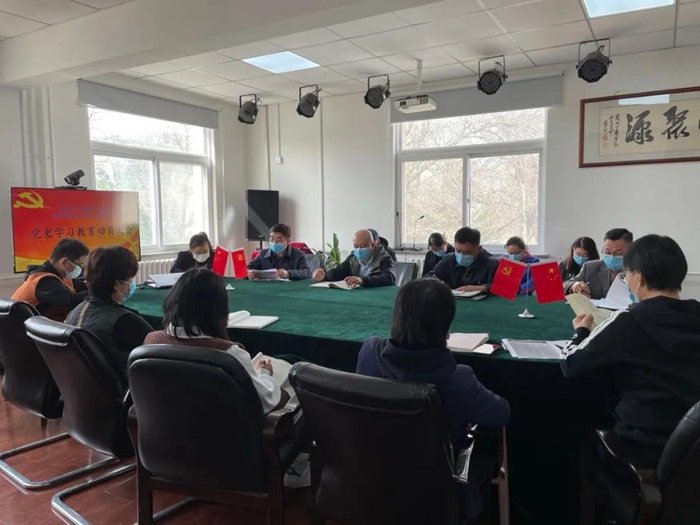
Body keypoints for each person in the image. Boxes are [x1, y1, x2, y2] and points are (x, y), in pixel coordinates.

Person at [357, 279, 511, 517]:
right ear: (445, 328)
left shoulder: (370, 352)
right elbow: (502, 413)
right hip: (440, 491)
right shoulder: (458, 379)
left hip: (374, 478)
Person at [561, 234, 700, 468]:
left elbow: (570, 364)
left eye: (626, 275)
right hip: (692, 452)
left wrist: (581, 332)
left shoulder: (629, 320)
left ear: (639, 277)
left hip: (640, 449)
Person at [144, 268, 284, 413]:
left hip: (161, 424)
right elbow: (264, 401)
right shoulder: (229, 354)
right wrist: (263, 373)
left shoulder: (151, 341)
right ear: (218, 309)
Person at [66, 246, 153, 375]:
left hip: (82, 383)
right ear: (116, 284)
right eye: (130, 279)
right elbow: (160, 354)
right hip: (121, 385)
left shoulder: (76, 311)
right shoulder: (126, 321)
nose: (132, 284)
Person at [11, 238, 89, 321]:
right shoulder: (43, 281)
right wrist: (96, 291)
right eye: (80, 265)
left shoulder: (60, 277)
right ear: (64, 262)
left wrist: (94, 284)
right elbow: (71, 300)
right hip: (20, 327)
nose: (81, 269)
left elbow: (77, 285)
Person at [313, 229, 396, 288]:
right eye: (356, 246)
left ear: (373, 245)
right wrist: (324, 276)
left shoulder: (384, 258)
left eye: (363, 246)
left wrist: (363, 280)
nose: (359, 250)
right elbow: (338, 272)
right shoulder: (352, 258)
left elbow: (389, 278)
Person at [564, 228, 633, 299]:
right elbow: (565, 284)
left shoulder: (637, 272)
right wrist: (573, 285)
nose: (612, 256)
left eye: (618, 253)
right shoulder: (590, 267)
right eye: (608, 252)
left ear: (630, 251)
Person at [428, 227, 498, 293]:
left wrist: (482, 288)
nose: (461, 255)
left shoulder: (492, 264)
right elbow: (430, 277)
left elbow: (504, 287)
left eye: (467, 252)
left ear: (478, 249)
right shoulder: (448, 260)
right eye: (458, 251)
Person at [247, 223, 312, 280]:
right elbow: (248, 268)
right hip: (268, 288)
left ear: (288, 241)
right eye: (272, 239)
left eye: (279, 240)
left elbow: (308, 273)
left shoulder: (299, 255)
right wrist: (249, 273)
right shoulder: (263, 254)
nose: (274, 242)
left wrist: (288, 274)